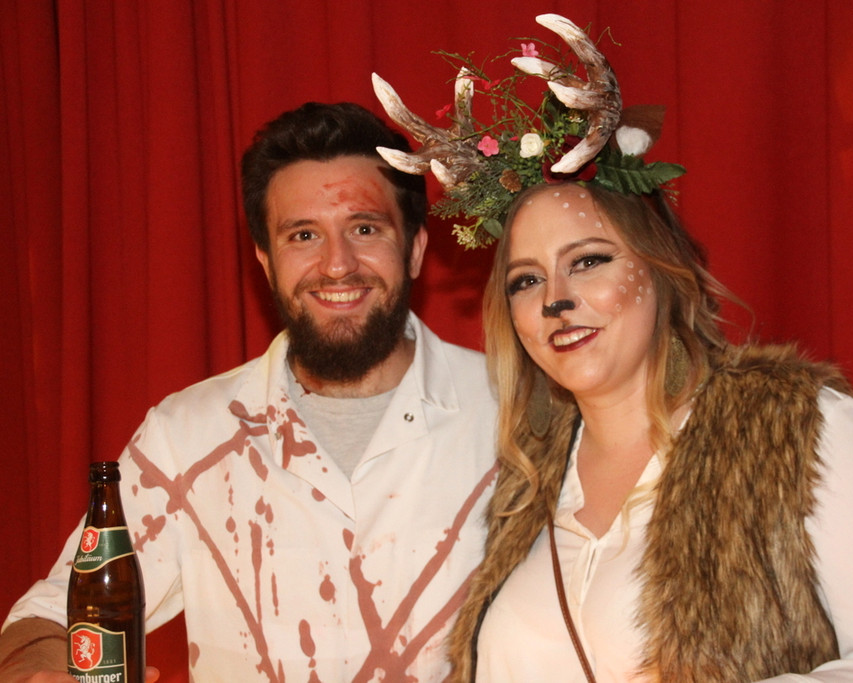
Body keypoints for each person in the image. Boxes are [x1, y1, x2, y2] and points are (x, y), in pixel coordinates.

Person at [373, 13, 853, 682]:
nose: (555, 299)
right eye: (526, 280)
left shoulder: (797, 430)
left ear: (661, 268)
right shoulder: (527, 479)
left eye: (589, 261)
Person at [0, 102, 498, 681]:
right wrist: (39, 670)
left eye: (365, 229)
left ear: (414, 249)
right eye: (303, 235)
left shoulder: (510, 412)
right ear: (265, 261)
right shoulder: (186, 436)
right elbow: (46, 617)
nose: (337, 265)